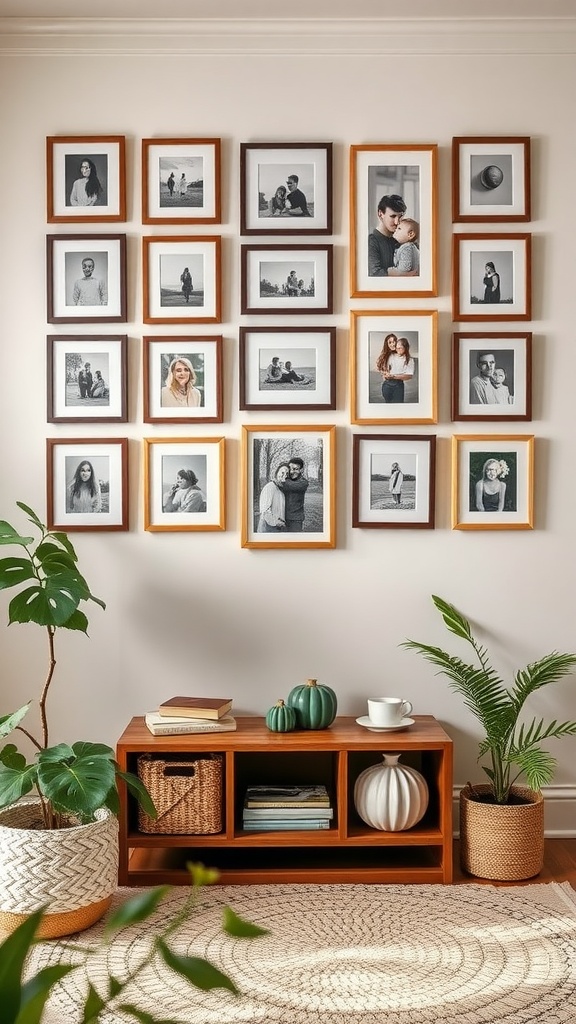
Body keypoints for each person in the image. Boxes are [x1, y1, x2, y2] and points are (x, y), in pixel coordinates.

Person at [368, 194, 406, 277]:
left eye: (400, 216)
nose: (397, 222)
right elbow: (374, 274)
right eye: (393, 216)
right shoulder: (370, 242)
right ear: (380, 214)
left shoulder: (400, 241)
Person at [380, 337, 414, 403]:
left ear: (405, 348)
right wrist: (384, 373)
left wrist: (394, 376)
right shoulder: (391, 355)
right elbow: (385, 369)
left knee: (398, 405)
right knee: (388, 405)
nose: (397, 350)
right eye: (396, 348)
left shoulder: (409, 360)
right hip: (387, 385)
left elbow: (409, 376)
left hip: (398, 386)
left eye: (400, 348)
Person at [257, 463, 289, 532]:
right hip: (268, 527)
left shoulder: (280, 489)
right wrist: (277, 522)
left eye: (287, 474)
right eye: (282, 472)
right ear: (277, 473)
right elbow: (265, 512)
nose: (285, 475)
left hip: (278, 527)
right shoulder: (270, 487)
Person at [281, 457, 309, 532]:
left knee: (294, 540)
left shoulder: (303, 483)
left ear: (301, 470)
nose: (291, 472)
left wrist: (281, 480)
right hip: (281, 516)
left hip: (295, 520)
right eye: (290, 468)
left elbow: (290, 485)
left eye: (295, 469)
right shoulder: (287, 479)